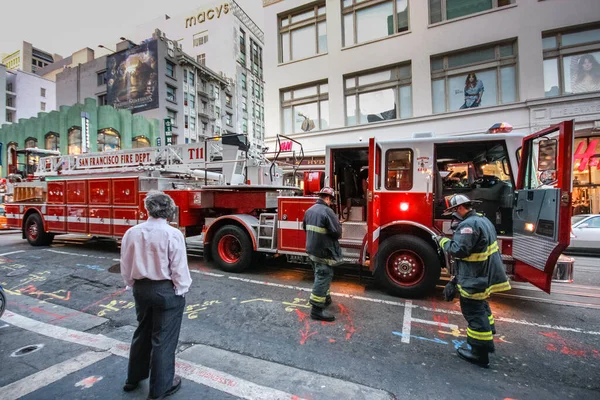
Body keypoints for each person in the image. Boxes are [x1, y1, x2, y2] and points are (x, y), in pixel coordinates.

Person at [120, 191, 192, 399]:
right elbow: (179, 268)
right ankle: (160, 388)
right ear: (169, 210)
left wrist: (132, 284)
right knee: (164, 340)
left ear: (148, 208)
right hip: (165, 290)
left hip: (141, 289)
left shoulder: (132, 232)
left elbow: (126, 264)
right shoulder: (173, 234)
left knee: (142, 332)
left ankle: (133, 379)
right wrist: (180, 290)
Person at [436, 194, 511, 368]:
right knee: (482, 307)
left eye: (454, 212)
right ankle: (488, 331)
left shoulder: (468, 225)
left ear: (460, 208)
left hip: (474, 278)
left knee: (473, 311)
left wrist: (442, 241)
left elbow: (459, 250)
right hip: (482, 275)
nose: (454, 216)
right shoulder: (483, 220)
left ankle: (480, 352)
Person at [302, 187, 342, 322]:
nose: (331, 202)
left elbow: (304, 228)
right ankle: (316, 310)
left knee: (320, 274)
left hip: (311, 249)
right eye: (331, 200)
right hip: (323, 251)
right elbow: (337, 233)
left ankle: (326, 299)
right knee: (324, 275)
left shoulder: (309, 210)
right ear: (327, 198)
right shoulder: (327, 211)